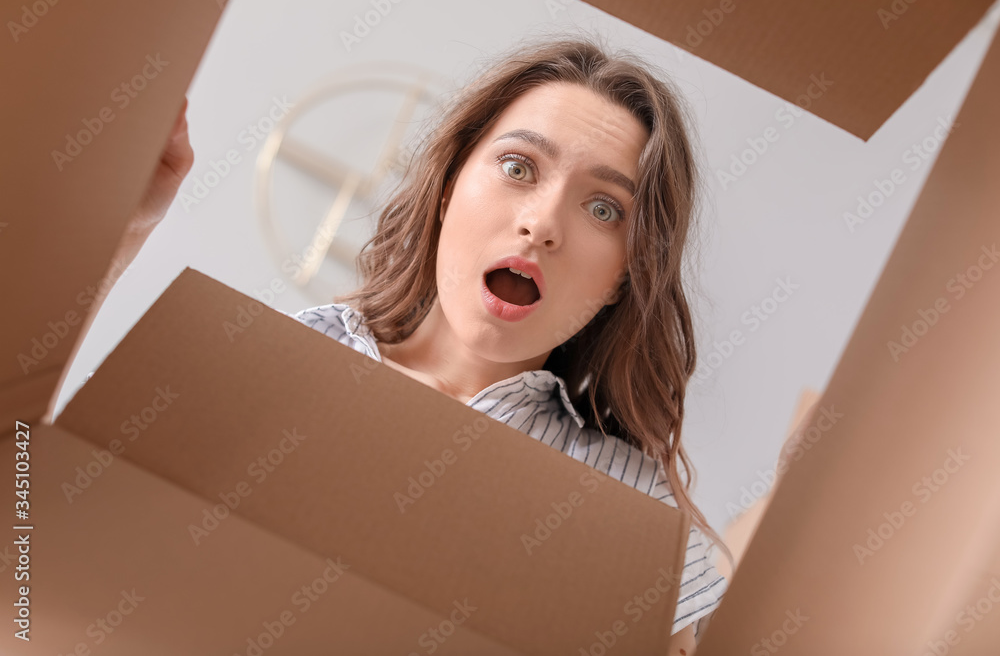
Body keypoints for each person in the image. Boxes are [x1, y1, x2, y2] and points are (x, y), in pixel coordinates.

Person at [116, 36, 732, 652]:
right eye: (518, 168)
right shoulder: (267, 359)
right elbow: (43, 506)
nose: (542, 225)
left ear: (624, 277)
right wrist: (121, 228)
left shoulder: (634, 512)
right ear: (447, 186)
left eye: (603, 208)